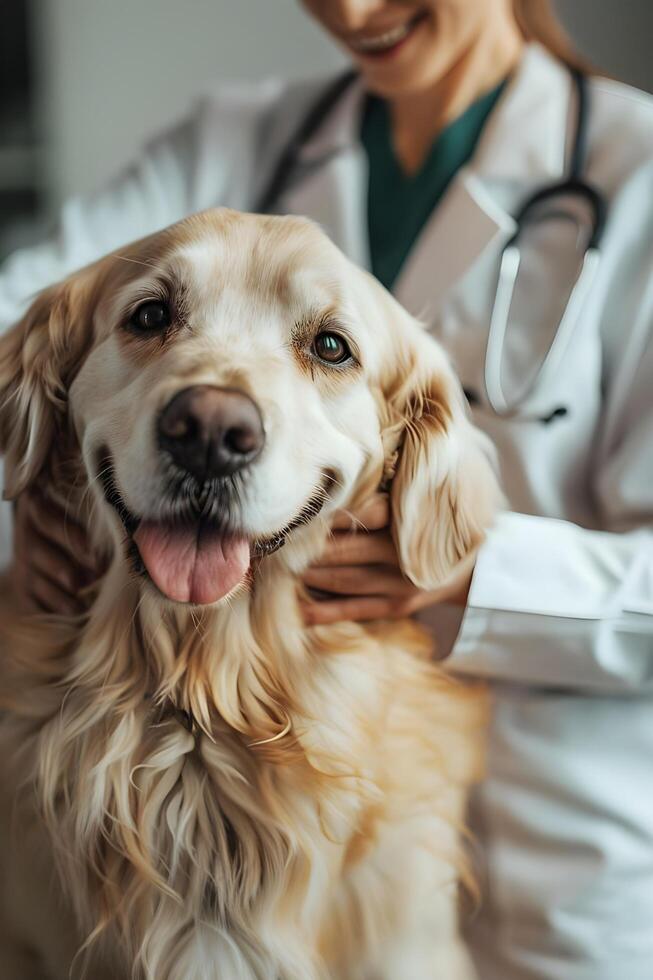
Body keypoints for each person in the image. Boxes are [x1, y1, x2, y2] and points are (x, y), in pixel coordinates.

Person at [1, 1, 652, 977]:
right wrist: (29, 496)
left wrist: (473, 575)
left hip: (562, 866)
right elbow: (26, 326)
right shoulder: (232, 137)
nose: (350, 9)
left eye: (328, 348)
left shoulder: (637, 171)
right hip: (146, 843)